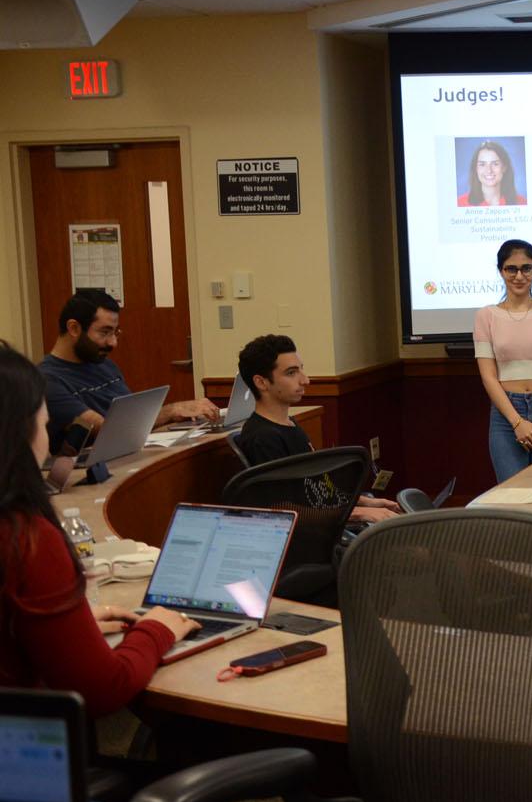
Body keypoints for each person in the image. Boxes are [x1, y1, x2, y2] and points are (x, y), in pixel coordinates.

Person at [0, 341, 199, 716]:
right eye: (44, 425)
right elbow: (105, 689)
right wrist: (157, 628)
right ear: (19, 434)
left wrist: (69, 629)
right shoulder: (25, 540)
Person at [235, 334, 400, 525]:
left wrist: (364, 502)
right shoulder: (263, 438)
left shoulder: (289, 424)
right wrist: (357, 513)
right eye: (291, 373)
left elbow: (314, 488)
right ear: (261, 382)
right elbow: (285, 509)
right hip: (317, 536)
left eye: (301, 370)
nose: (305, 380)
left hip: (335, 520)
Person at [39, 288, 218, 453]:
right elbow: (112, 429)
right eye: (104, 332)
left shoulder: (105, 365)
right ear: (74, 328)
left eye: (115, 332)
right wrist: (172, 411)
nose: (113, 343)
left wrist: (177, 416)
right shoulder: (47, 381)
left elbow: (132, 421)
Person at [475, 240, 532, 482]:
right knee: (513, 497)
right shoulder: (486, 316)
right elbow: (488, 376)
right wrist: (518, 422)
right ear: (501, 271)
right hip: (507, 415)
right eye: (511, 269)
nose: (519, 276)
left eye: (526, 268)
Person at [457, 140, 526, 207]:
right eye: (482, 164)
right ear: (476, 168)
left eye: (495, 164)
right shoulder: (460, 203)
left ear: (504, 167)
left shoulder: (522, 202)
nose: (489, 170)